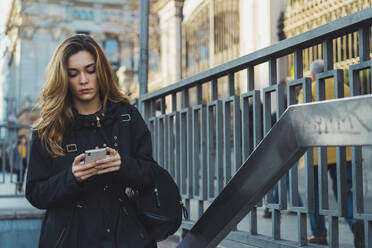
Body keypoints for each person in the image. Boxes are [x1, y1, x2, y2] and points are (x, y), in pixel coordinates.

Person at [26, 34, 158, 248]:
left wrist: (123, 165)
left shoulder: (126, 116)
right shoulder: (48, 128)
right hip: (69, 237)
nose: (83, 80)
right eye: (73, 73)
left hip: (123, 235)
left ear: (102, 71)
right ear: (63, 77)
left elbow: (150, 174)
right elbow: (35, 193)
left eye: (90, 70)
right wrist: (72, 178)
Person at [298, 60, 364, 247]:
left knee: (315, 194)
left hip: (318, 151)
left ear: (312, 75)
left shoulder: (309, 90)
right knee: (346, 192)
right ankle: (355, 225)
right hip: (345, 148)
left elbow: (302, 118)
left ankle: (319, 234)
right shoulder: (344, 87)